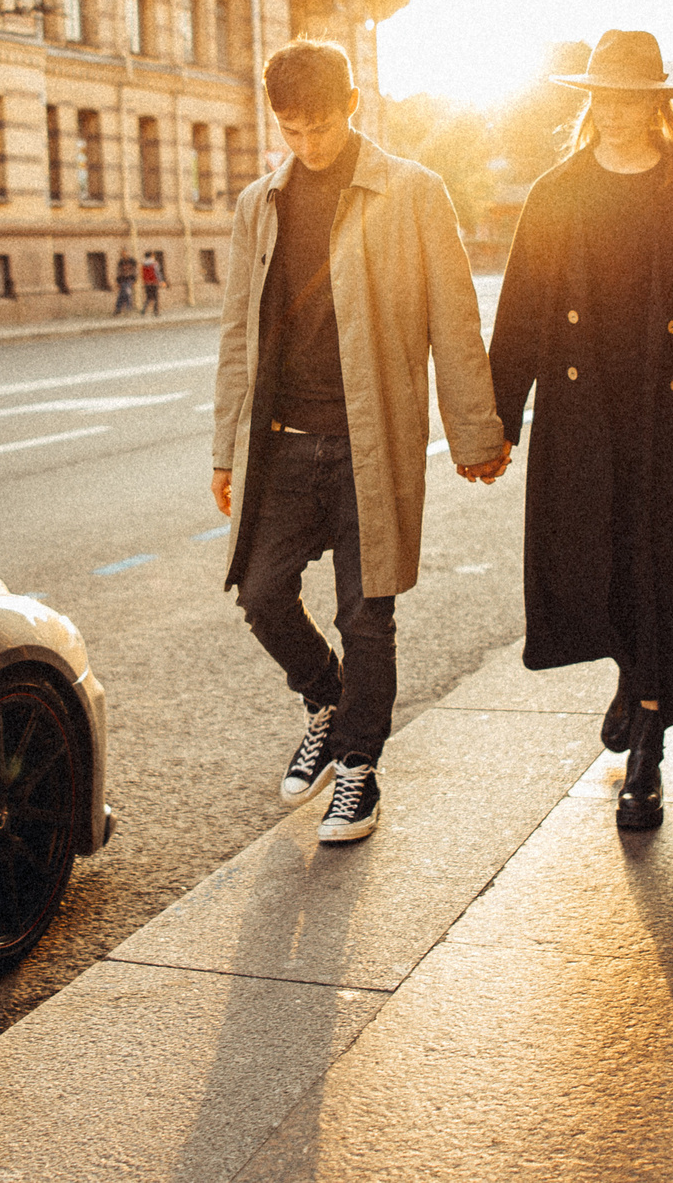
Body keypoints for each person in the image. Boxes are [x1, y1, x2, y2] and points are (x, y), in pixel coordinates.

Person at [211, 41, 511, 844]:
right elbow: (238, 329)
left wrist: (477, 430)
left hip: (368, 442)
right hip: (282, 443)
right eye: (290, 130)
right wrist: (222, 449)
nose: (305, 144)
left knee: (366, 613)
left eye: (318, 126)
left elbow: (454, 318)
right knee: (261, 591)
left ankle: (358, 772)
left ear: (352, 105)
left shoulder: (412, 192)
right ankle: (326, 698)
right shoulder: (259, 204)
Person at [489, 31, 673, 834]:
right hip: (585, 416)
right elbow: (522, 316)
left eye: (630, 98)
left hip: (672, 420)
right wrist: (495, 421)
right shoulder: (556, 191)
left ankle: (648, 748)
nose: (614, 112)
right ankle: (630, 675)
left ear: (655, 104)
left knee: (662, 573)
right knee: (597, 566)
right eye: (602, 97)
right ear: (590, 102)